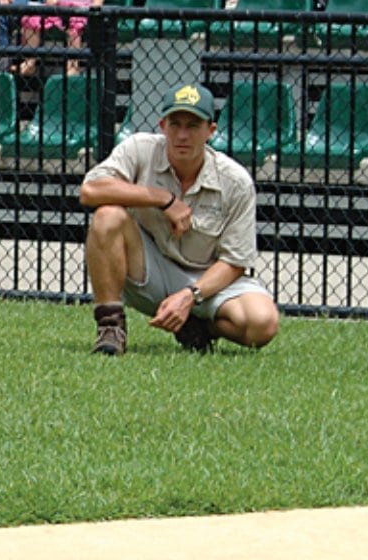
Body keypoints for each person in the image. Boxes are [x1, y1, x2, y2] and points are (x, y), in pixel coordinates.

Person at [81, 82, 281, 356]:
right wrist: (162, 199)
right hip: (149, 270)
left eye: (193, 125)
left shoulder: (235, 181)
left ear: (210, 131)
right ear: (162, 125)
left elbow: (235, 261)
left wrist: (190, 296)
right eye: (175, 124)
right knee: (107, 216)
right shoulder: (140, 149)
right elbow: (91, 190)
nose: (182, 135)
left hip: (208, 280)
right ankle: (111, 327)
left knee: (262, 324)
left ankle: (198, 328)